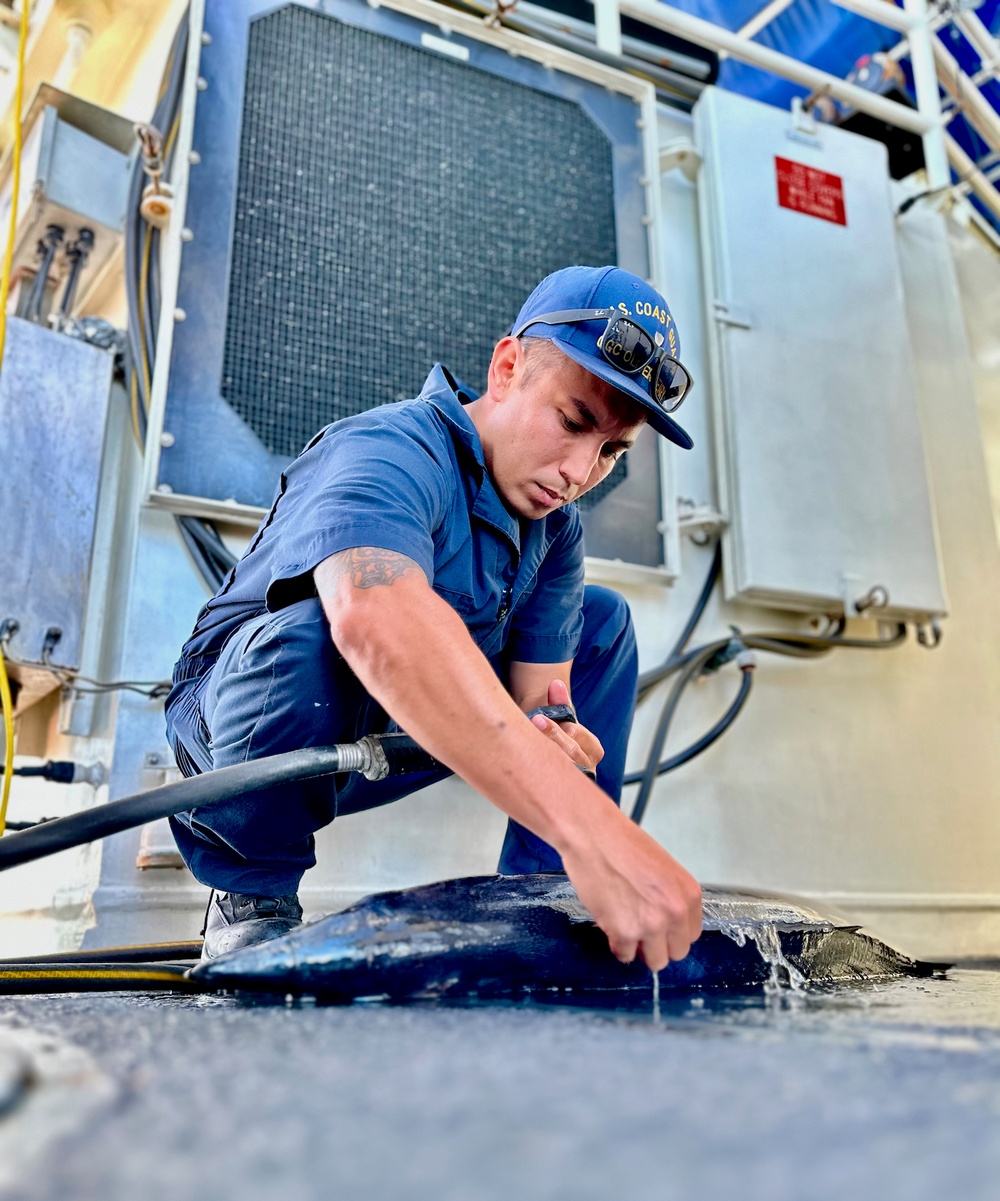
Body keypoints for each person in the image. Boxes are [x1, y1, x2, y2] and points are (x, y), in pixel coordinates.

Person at [165, 264, 703, 964]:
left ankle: (544, 903)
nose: (579, 471)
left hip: (389, 736)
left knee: (602, 623)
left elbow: (546, 702)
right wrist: (595, 828)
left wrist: (557, 732)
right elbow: (375, 618)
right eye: (573, 422)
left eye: (611, 451)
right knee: (319, 634)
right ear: (507, 368)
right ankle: (252, 894)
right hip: (241, 734)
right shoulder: (390, 449)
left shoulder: (556, 529)